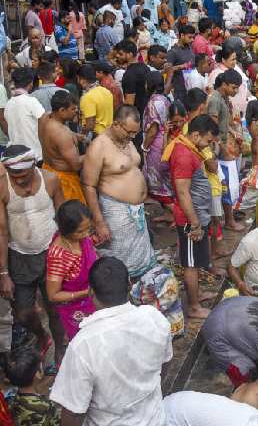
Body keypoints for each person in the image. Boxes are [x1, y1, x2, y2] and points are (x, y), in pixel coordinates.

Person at [50, 257, 179, 426]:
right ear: (130, 285)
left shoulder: (83, 344)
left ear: (91, 294)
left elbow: (73, 409)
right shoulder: (154, 318)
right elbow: (165, 362)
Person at [0, 145, 64, 358]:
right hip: (20, 256)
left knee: (55, 308)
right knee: (23, 313)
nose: (19, 179)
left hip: (51, 252)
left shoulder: (50, 180)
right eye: (13, 175)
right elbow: (1, 230)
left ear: (33, 165)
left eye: (23, 174)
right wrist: (3, 274)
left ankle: (60, 347)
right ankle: (43, 337)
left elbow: (63, 215)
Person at [81, 106, 156, 280]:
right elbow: (88, 185)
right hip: (115, 211)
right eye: (129, 132)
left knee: (138, 259)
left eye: (135, 133)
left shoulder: (127, 140)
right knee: (118, 260)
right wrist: (99, 222)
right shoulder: (99, 146)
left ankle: (138, 290)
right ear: (116, 124)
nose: (132, 137)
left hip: (135, 211)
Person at [167, 114, 220, 320]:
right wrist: (195, 223)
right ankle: (193, 307)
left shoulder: (190, 149)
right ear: (196, 134)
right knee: (190, 263)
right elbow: (182, 192)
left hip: (198, 215)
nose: (208, 145)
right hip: (191, 218)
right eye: (208, 140)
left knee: (196, 260)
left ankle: (196, 296)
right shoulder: (182, 154)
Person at [45, 200, 97, 342]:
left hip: (93, 297)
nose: (86, 234)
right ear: (66, 230)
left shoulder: (82, 239)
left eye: (88, 228)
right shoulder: (58, 256)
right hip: (76, 308)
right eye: (80, 231)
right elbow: (53, 295)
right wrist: (85, 293)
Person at [142, 72, 180, 223]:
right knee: (165, 180)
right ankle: (170, 214)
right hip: (164, 141)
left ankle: (177, 214)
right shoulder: (165, 99)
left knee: (157, 182)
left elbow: (153, 129)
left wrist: (145, 147)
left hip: (156, 144)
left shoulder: (153, 102)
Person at [40, 91, 85, 203]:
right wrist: (94, 150)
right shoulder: (62, 134)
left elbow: (53, 140)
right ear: (61, 110)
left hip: (48, 172)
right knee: (73, 217)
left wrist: (75, 135)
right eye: (73, 109)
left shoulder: (44, 118)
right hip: (64, 181)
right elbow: (76, 165)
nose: (76, 112)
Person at [4, 67, 47, 162]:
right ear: (31, 83)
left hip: (17, 156)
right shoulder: (31, 101)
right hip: (34, 155)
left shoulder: (8, 104)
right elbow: (44, 121)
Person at [78, 63, 114, 136]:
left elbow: (90, 125)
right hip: (109, 134)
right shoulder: (106, 91)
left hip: (96, 136)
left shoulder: (87, 97)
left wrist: (82, 136)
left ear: (82, 80)